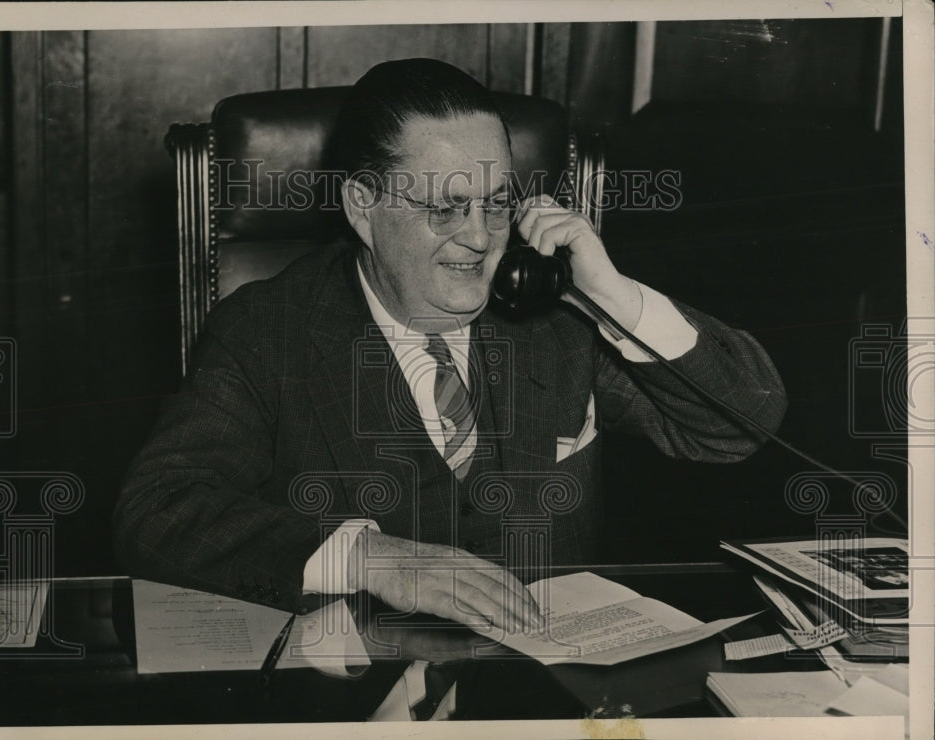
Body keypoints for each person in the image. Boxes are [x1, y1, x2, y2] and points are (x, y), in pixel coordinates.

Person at [113, 58, 786, 633]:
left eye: (496, 203)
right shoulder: (268, 331)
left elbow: (738, 427)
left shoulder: (553, 318)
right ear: (362, 208)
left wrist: (612, 294)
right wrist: (373, 560)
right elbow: (156, 512)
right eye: (445, 209)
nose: (480, 237)